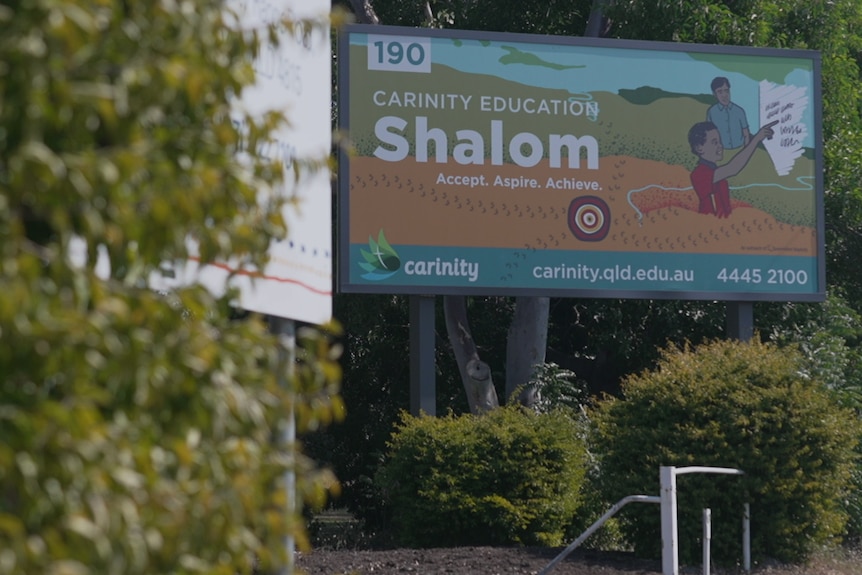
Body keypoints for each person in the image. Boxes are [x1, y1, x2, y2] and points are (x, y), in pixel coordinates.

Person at [687, 120, 777, 218]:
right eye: (714, 142)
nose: (720, 146)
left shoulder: (716, 174)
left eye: (720, 141)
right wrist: (756, 139)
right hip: (710, 228)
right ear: (699, 148)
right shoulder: (699, 174)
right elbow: (733, 168)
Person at [707, 76, 750, 149]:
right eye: (720, 92)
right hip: (721, 151)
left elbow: (746, 134)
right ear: (714, 94)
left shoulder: (739, 111)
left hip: (739, 150)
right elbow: (709, 135)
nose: (724, 95)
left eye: (726, 91)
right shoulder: (712, 112)